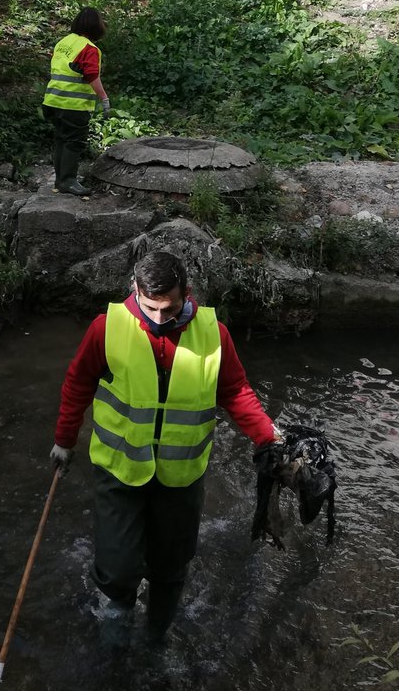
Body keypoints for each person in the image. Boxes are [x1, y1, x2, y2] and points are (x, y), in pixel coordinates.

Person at [50, 250, 282, 643]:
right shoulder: (106, 329)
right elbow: (77, 385)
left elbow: (235, 391)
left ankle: (157, 635)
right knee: (119, 567)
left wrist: (267, 436)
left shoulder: (215, 335)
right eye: (150, 308)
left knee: (170, 568)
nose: (159, 319)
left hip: (181, 477)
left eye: (169, 309)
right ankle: (117, 618)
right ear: (135, 291)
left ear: (186, 294)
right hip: (120, 470)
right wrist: (64, 441)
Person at [42, 7, 110, 197]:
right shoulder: (89, 48)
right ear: (96, 26)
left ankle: (60, 180)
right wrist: (104, 98)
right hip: (72, 105)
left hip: (52, 101)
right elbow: (91, 76)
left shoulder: (63, 43)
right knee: (74, 141)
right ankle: (68, 181)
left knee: (61, 141)